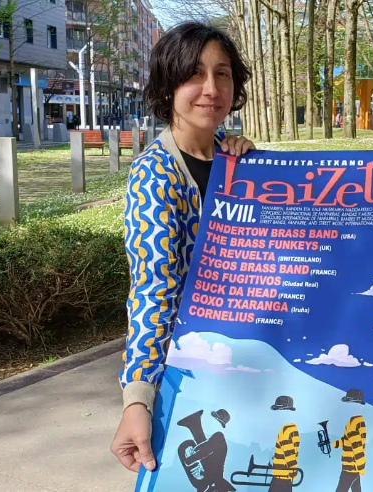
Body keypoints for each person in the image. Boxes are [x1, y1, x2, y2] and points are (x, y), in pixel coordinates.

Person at [110, 21, 256, 474]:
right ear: (168, 85)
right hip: (193, 372)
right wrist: (138, 398)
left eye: (222, 73)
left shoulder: (241, 160)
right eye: (194, 74)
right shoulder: (155, 176)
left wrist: (258, 169)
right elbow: (153, 290)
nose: (211, 88)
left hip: (254, 361)